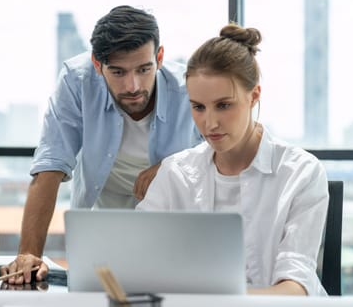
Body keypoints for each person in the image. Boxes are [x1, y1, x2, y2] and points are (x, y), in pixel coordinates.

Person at [1, 5, 202, 284]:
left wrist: (172, 167)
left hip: (175, 228)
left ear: (160, 57)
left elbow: (222, 154)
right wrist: (28, 254)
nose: (133, 86)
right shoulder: (76, 81)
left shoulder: (188, 89)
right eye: (118, 72)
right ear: (98, 64)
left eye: (144, 69)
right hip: (103, 225)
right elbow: (50, 165)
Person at [137, 23, 329, 296]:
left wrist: (213, 301)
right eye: (198, 107)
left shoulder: (301, 172)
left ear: (254, 97)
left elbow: (295, 289)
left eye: (224, 105)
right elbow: (137, 261)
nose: (210, 123)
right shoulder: (175, 172)